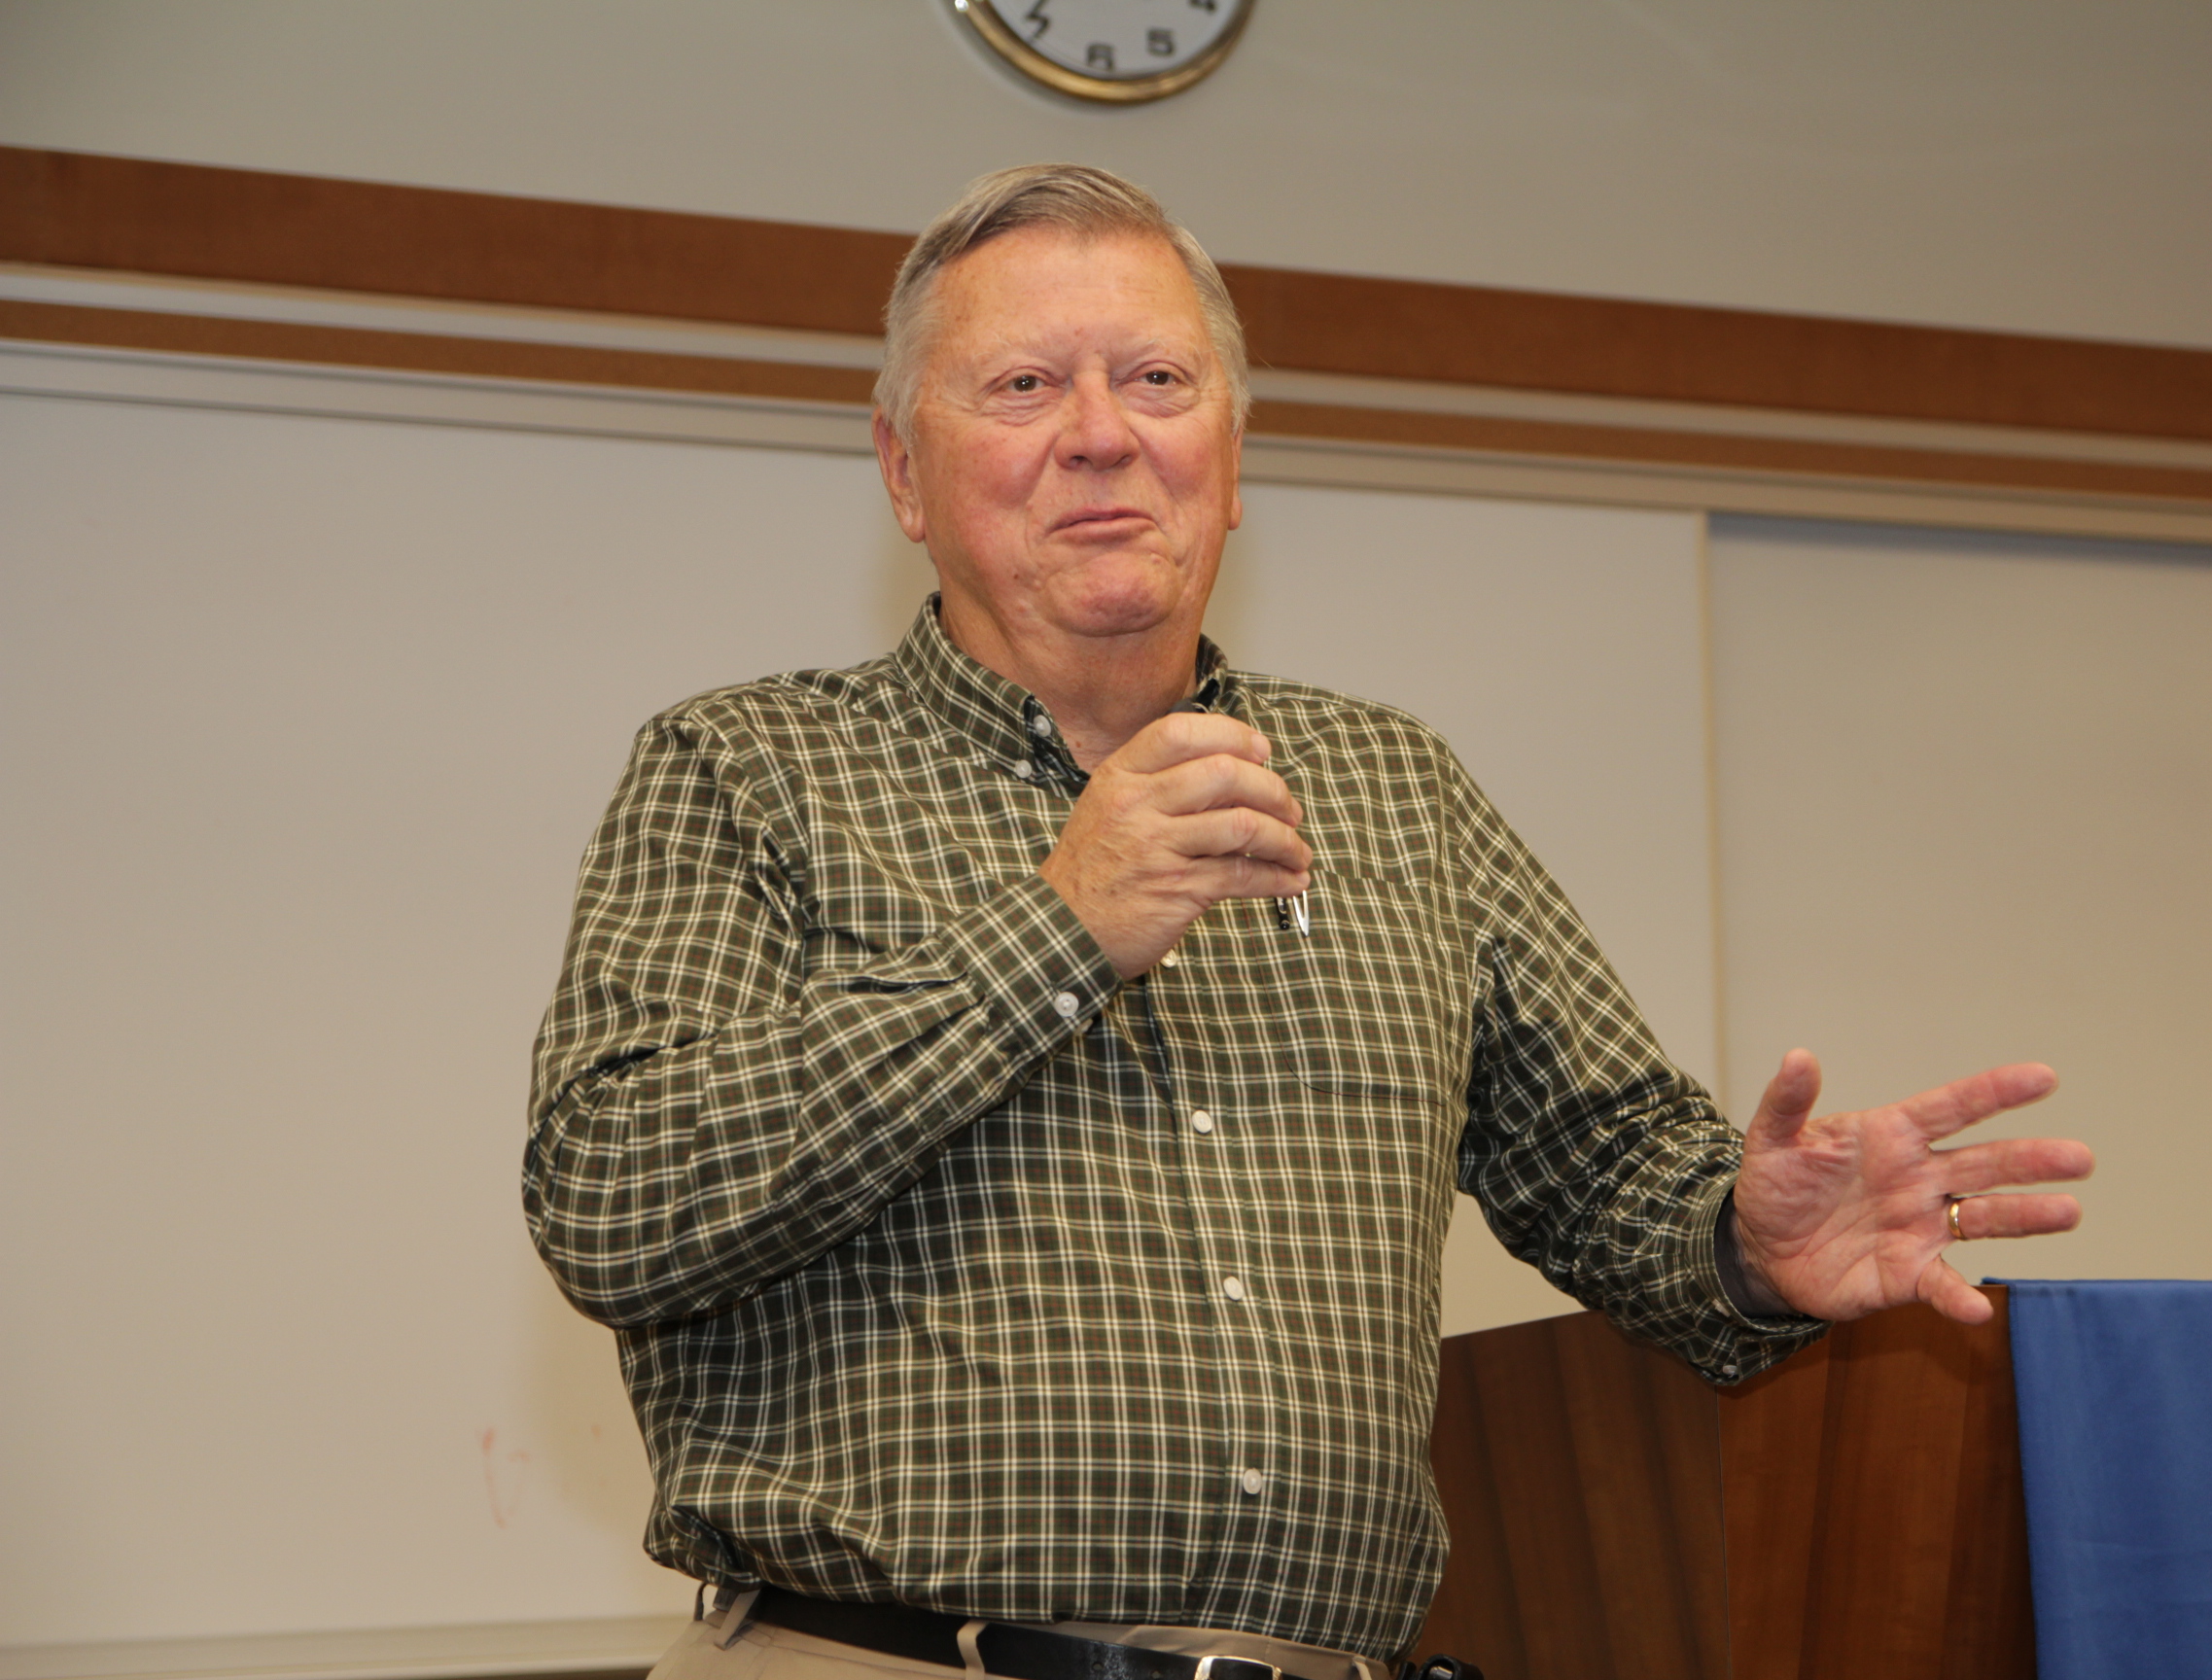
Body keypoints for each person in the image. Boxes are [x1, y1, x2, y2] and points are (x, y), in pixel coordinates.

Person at [525, 163, 2093, 1680]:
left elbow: (1611, 1167)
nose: (1100, 436)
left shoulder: (1393, 788)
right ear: (902, 472)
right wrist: (1057, 930)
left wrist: (1745, 1244)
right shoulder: (750, 769)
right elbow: (614, 1197)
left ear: (1230, 457)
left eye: (1157, 380)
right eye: (1023, 387)